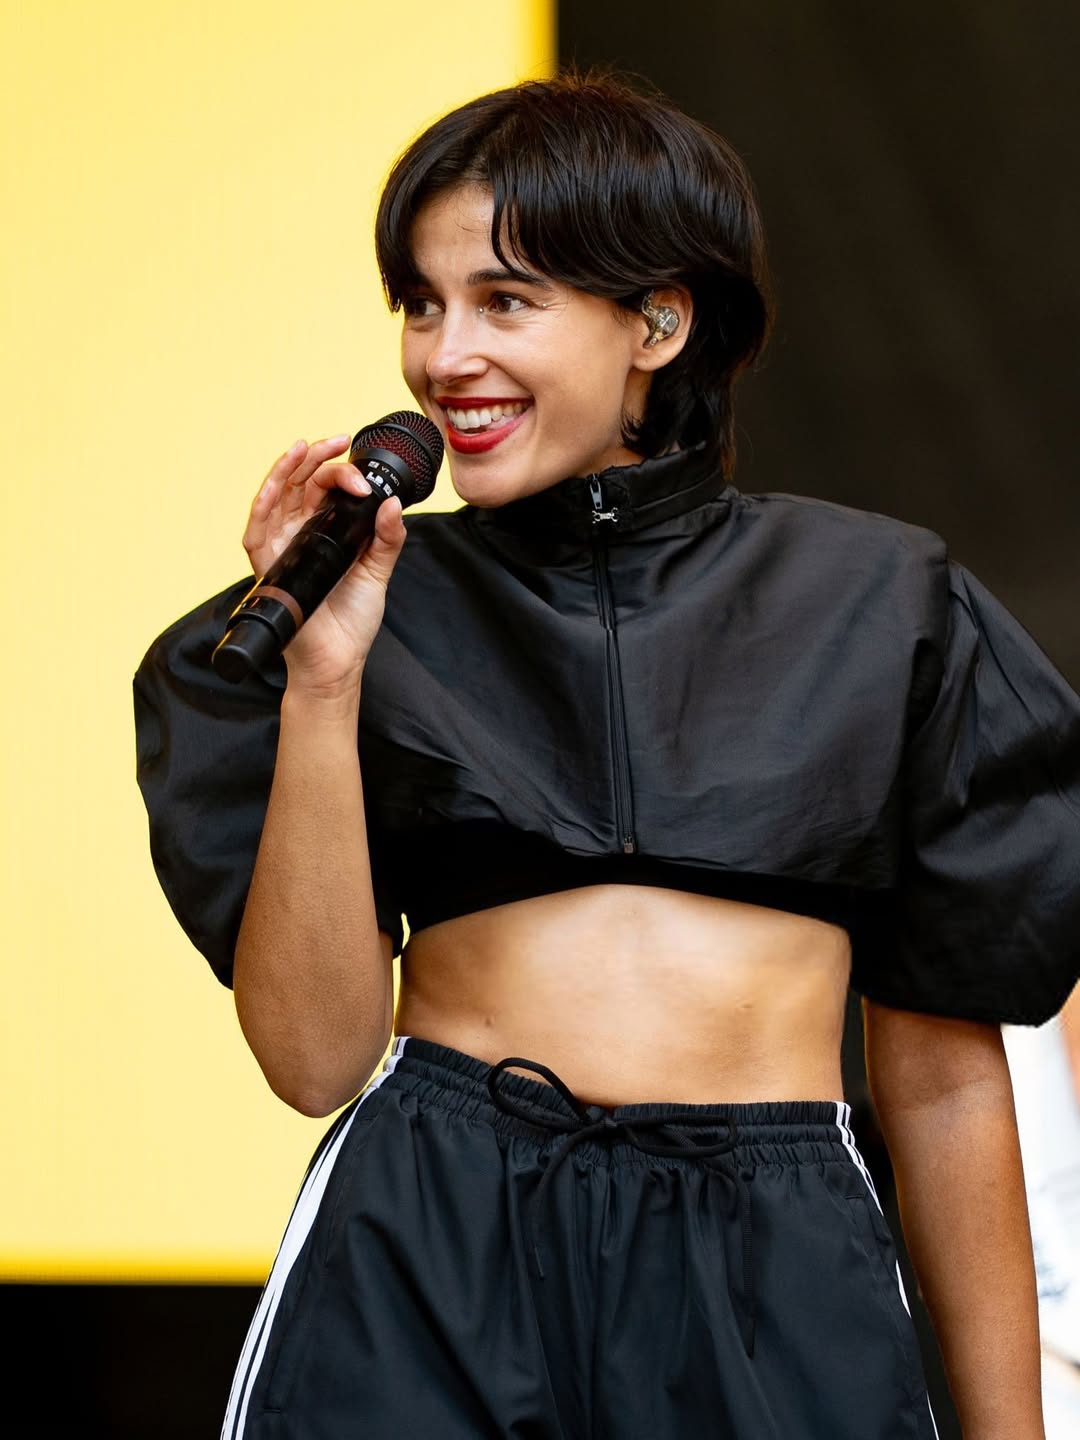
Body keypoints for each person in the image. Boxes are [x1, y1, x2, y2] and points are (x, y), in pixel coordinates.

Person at [134, 72, 1080, 1439]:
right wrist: (325, 685)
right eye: (421, 302)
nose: (445, 355)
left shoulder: (885, 603)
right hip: (431, 1238)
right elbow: (316, 1062)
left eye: (505, 301)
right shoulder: (362, 612)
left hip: (774, 1258)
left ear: (658, 322)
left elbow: (939, 1082)